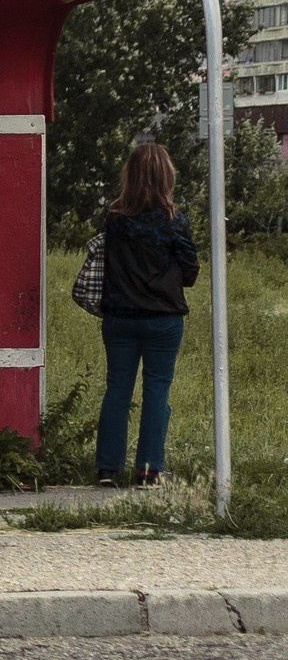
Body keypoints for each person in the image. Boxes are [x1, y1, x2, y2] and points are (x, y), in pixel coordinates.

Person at [94, 142, 198, 486]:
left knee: (117, 389)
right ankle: (149, 470)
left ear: (131, 176)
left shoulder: (114, 219)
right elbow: (191, 272)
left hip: (120, 318)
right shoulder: (174, 222)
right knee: (157, 390)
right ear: (167, 176)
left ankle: (108, 469)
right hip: (163, 319)